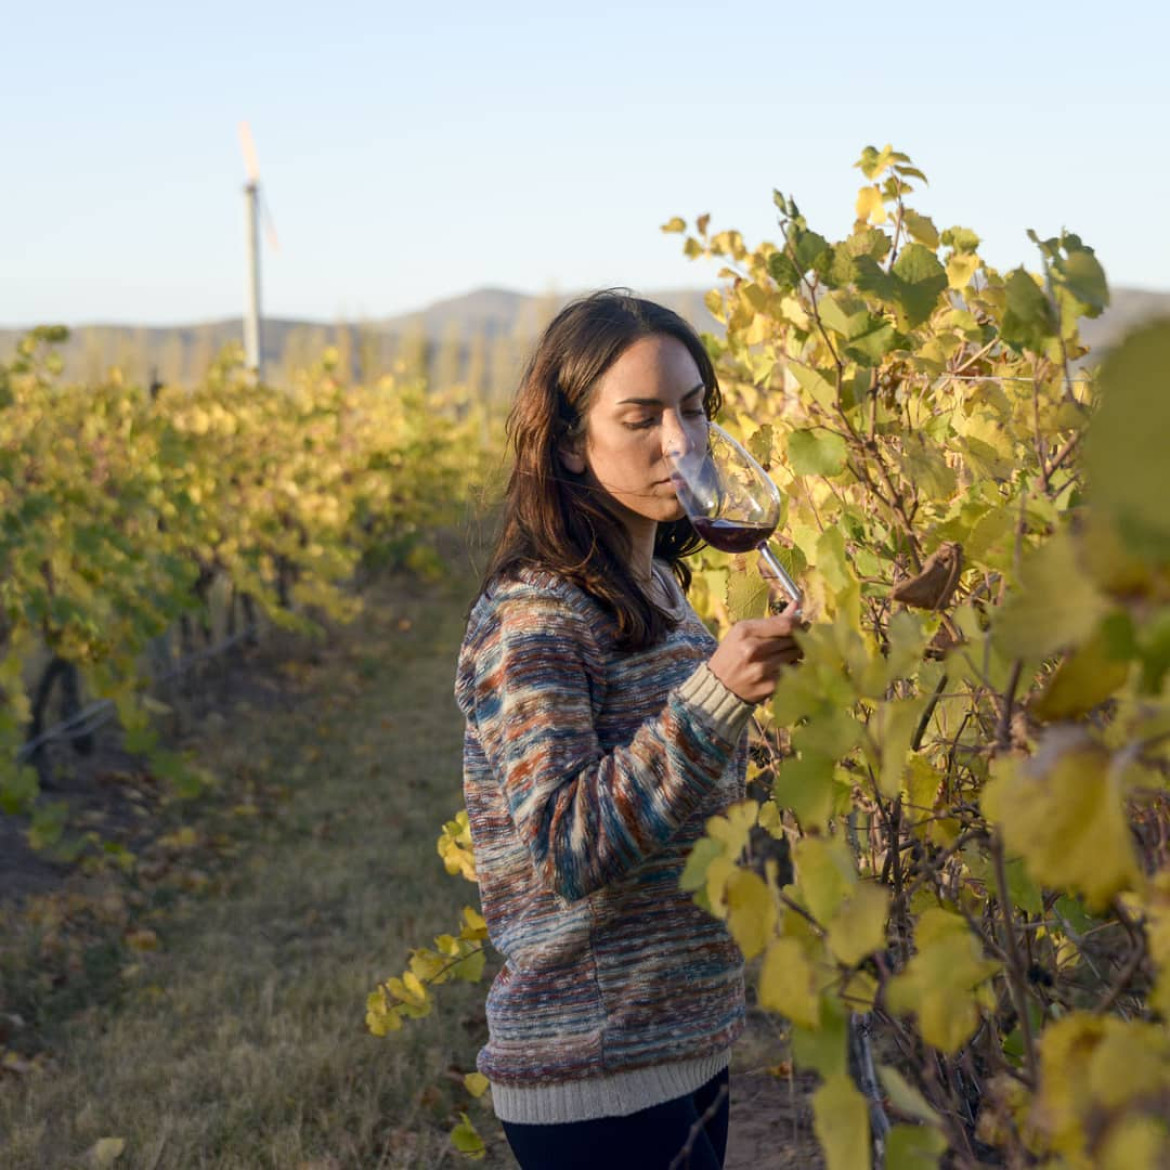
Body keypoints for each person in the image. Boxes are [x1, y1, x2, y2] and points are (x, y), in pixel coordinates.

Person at [454, 290, 803, 1170]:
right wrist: (717, 696)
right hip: (597, 1069)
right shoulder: (535, 615)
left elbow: (679, 800)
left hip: (681, 1046)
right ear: (571, 442)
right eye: (641, 417)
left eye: (693, 410)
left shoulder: (657, 590)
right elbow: (571, 847)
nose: (680, 442)